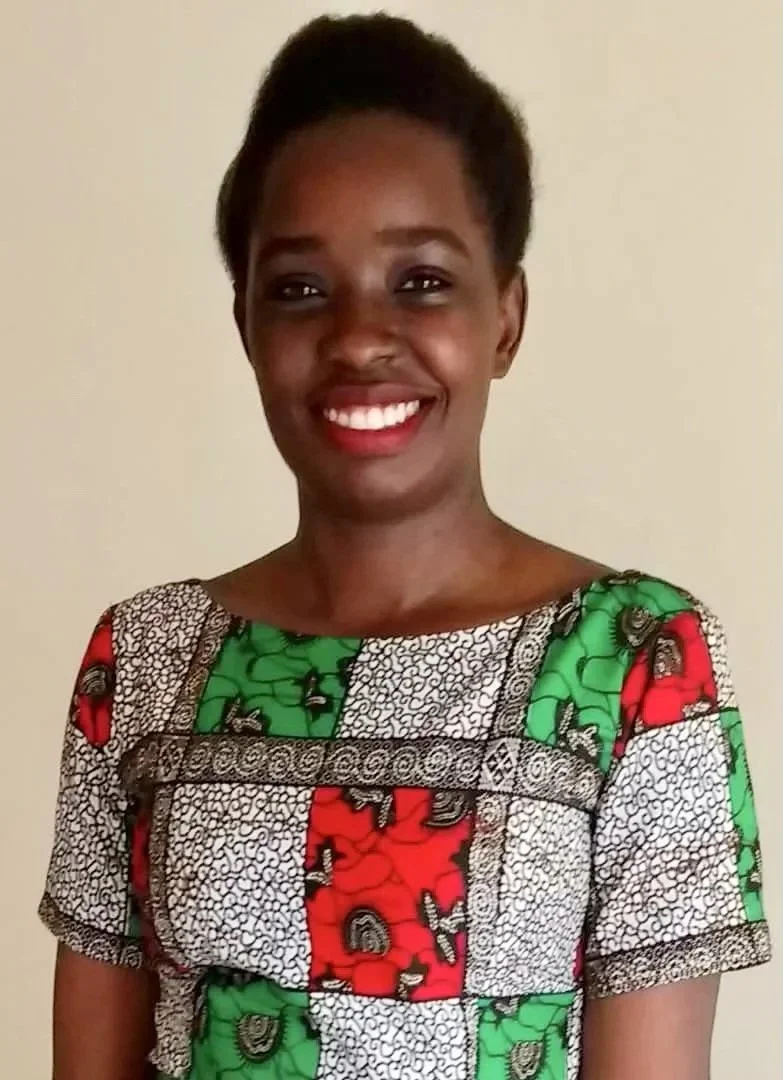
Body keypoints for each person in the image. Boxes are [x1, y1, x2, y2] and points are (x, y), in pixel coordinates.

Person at [40, 13, 770, 1080]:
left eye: (421, 279)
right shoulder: (141, 658)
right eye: (297, 288)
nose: (358, 337)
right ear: (245, 325)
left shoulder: (640, 660)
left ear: (505, 319)